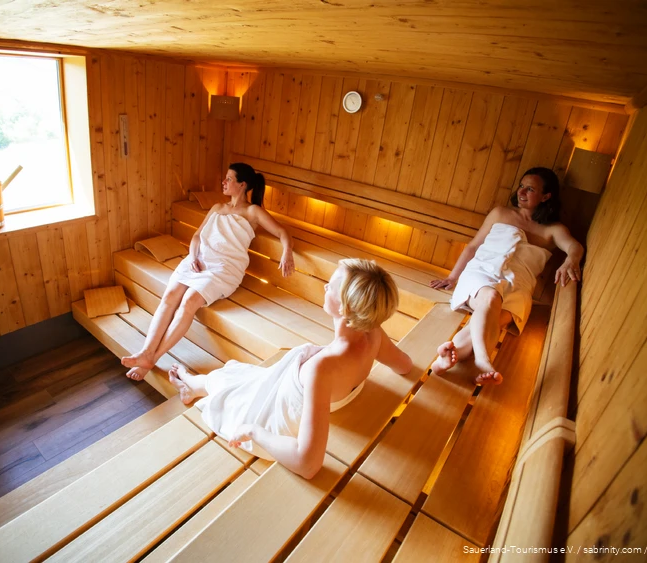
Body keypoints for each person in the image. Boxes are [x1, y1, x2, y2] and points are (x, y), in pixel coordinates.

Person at [165, 258, 424, 480]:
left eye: (331, 286)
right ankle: (193, 385)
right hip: (301, 389)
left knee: (233, 392)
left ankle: (192, 387)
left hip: (277, 413)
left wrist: (254, 431)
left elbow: (308, 464)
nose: (325, 286)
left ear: (345, 308)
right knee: (236, 377)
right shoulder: (373, 334)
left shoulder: (323, 368)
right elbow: (404, 365)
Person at [121, 163, 295, 380]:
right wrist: (193, 256)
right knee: (169, 296)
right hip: (198, 260)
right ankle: (146, 352)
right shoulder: (217, 208)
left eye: (229, 179)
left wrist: (287, 252)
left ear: (242, 184)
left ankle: (152, 359)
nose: (223, 182)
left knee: (189, 301)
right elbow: (196, 237)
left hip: (224, 268)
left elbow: (282, 232)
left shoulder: (252, 212)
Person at [429, 167, 584, 385]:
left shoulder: (553, 229)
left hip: (518, 286)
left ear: (546, 196)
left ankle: (442, 362)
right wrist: (453, 277)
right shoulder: (501, 213)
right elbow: (473, 247)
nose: (521, 192)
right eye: (521, 186)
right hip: (482, 273)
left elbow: (574, 247)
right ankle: (483, 361)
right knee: (491, 298)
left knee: (496, 319)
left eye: (530, 189)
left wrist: (571, 260)